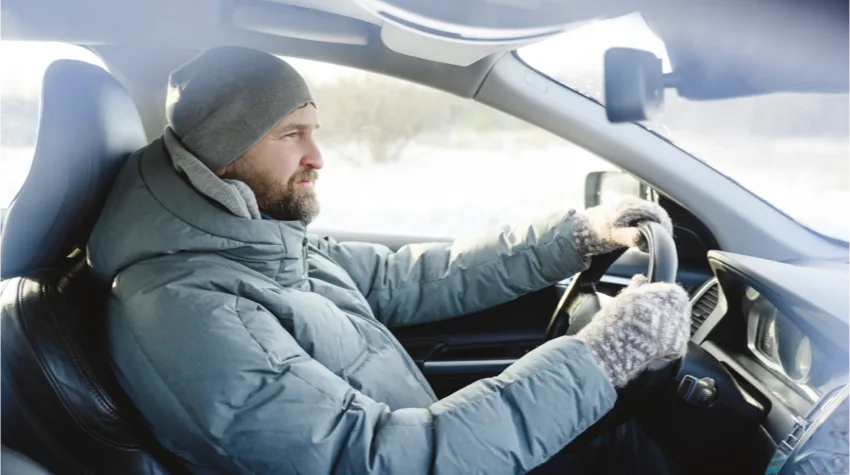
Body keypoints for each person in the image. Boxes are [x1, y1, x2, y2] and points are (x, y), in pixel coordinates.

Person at [86, 46, 691, 474]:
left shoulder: (256, 241)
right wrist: (596, 359)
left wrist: (575, 235)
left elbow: (415, 277)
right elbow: (373, 459)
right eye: (290, 134)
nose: (317, 155)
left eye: (314, 130)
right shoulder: (186, 310)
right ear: (223, 154)